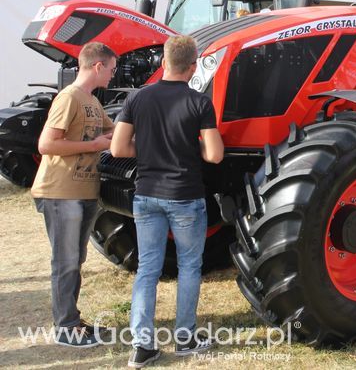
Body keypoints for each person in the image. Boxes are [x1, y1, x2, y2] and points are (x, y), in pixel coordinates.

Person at [111, 35, 224, 368]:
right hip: (185, 196)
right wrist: (191, 151)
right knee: (190, 266)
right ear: (193, 67)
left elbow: (118, 149)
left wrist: (148, 152)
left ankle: (142, 346)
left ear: (163, 62)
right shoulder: (199, 102)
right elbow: (215, 155)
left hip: (146, 195)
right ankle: (186, 337)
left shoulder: (138, 98)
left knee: (148, 269)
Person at [31, 42, 116, 347]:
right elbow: (47, 145)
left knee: (74, 260)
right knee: (65, 262)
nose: (113, 74)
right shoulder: (69, 98)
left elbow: (116, 132)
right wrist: (95, 145)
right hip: (61, 191)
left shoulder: (92, 101)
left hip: (83, 192)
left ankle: (72, 319)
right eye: (111, 68)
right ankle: (65, 328)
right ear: (97, 66)